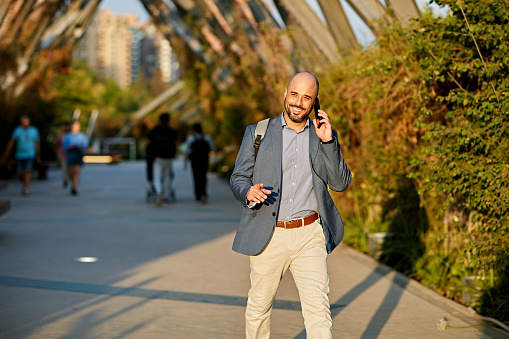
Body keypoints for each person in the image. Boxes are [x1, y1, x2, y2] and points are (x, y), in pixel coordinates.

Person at [230, 72, 351, 338]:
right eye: (294, 94)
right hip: (269, 232)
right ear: (285, 93)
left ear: (315, 102)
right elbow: (238, 177)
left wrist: (329, 142)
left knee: (318, 309)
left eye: (306, 97)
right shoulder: (258, 133)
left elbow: (340, 183)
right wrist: (247, 191)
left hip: (309, 234)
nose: (298, 102)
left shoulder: (323, 135)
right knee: (259, 307)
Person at [2, 116, 41, 196]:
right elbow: (12, 141)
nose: (26, 123)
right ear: (21, 122)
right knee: (19, 173)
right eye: (24, 121)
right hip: (20, 155)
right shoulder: (17, 130)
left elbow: (37, 143)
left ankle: (26, 188)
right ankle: (25, 183)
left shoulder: (34, 130)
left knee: (28, 170)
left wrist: (38, 154)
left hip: (30, 154)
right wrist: (7, 152)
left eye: (27, 121)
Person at [147, 113, 178, 206]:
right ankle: (167, 195)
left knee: (157, 176)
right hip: (168, 157)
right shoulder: (171, 131)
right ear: (168, 120)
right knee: (167, 176)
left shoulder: (154, 131)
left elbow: (149, 143)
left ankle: (159, 192)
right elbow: (175, 144)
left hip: (157, 157)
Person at [184, 123, 215, 203]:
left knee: (196, 177)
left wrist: (185, 162)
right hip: (204, 159)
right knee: (203, 176)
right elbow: (212, 148)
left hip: (194, 160)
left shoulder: (191, 138)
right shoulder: (207, 137)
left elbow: (187, 150)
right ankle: (203, 193)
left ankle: (197, 195)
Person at [63, 120, 88, 195]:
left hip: (78, 153)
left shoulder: (82, 135)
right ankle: (73, 183)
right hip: (71, 153)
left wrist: (79, 147)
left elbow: (85, 145)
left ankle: (75, 187)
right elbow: (64, 146)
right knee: (71, 172)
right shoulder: (68, 136)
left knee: (76, 172)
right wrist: (70, 146)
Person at [55, 121, 70, 188]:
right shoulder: (60, 134)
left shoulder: (70, 134)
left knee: (69, 167)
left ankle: (69, 178)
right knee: (64, 167)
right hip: (61, 152)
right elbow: (56, 144)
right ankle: (65, 179)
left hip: (69, 153)